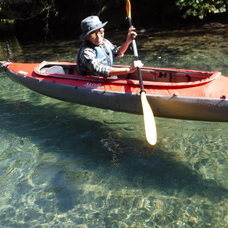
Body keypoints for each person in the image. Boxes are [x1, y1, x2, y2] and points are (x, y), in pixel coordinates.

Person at [76, 15, 143, 78]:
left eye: (101, 32)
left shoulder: (105, 42)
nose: (99, 38)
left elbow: (118, 52)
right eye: (93, 35)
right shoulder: (86, 52)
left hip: (108, 78)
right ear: (87, 37)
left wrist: (128, 41)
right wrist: (129, 69)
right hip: (93, 81)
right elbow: (101, 70)